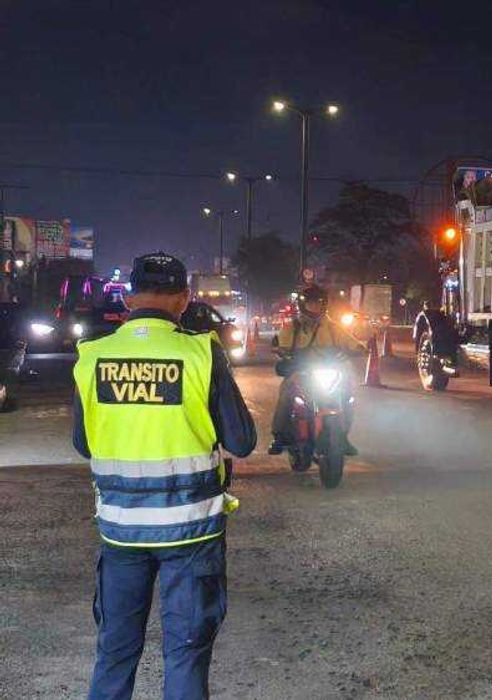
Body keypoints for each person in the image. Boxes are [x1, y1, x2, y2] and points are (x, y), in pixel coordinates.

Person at [72, 251, 256, 699]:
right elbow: (242, 441)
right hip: (191, 536)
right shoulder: (200, 352)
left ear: (131, 297)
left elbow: (83, 443)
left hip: (122, 533)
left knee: (115, 651)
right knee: (186, 652)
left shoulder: (94, 355)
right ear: (184, 299)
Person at [267, 284, 365, 455]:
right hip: (302, 372)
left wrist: (360, 347)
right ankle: (279, 436)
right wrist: (281, 351)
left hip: (329, 372)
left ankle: (342, 437)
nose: (314, 307)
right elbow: (280, 343)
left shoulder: (332, 327)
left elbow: (349, 340)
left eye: (318, 303)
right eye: (311, 304)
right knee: (287, 392)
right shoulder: (293, 327)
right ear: (303, 306)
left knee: (347, 396)